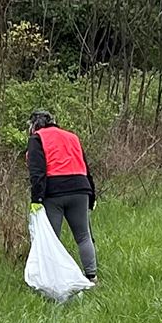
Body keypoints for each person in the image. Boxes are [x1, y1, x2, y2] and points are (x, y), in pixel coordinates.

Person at [26, 109, 98, 284]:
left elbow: (37, 172)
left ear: (34, 125)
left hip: (54, 192)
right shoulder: (72, 137)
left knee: (52, 238)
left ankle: (52, 279)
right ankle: (92, 276)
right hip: (81, 189)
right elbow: (85, 167)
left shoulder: (37, 138)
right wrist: (92, 195)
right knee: (83, 236)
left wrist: (37, 199)